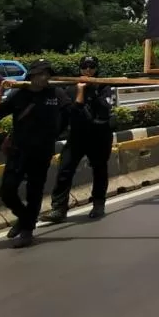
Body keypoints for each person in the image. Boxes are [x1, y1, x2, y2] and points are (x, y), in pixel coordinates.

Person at [0, 60, 67, 248]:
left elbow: (69, 113)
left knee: (34, 191)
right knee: (7, 191)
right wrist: (0, 91)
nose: (44, 77)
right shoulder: (19, 94)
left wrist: (56, 133)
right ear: (31, 76)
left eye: (46, 74)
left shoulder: (56, 94)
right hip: (19, 150)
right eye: (40, 74)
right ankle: (25, 218)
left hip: (42, 151)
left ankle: (27, 231)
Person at [46, 55, 116, 223]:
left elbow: (106, 108)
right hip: (77, 135)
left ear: (96, 68)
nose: (88, 70)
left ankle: (98, 203)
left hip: (99, 135)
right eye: (85, 66)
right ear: (80, 68)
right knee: (65, 169)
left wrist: (93, 89)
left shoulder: (104, 87)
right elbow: (66, 113)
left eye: (91, 66)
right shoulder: (71, 89)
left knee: (99, 169)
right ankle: (59, 208)